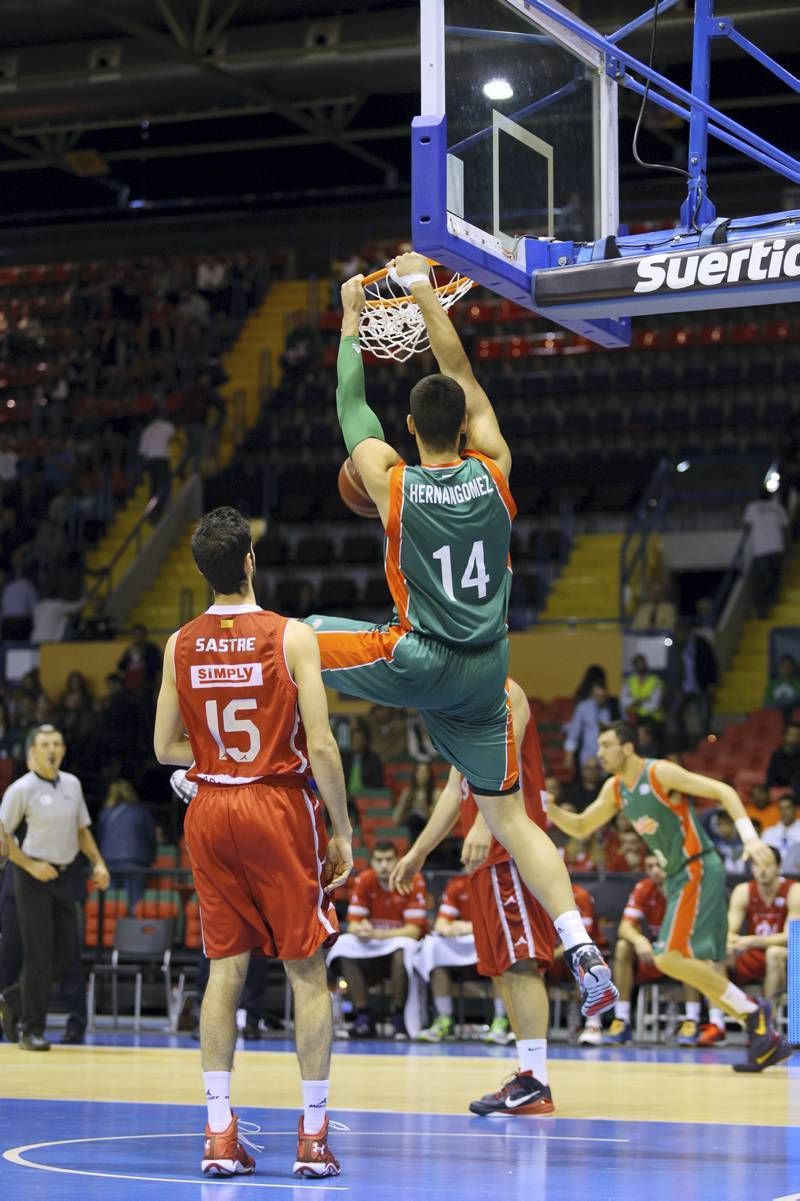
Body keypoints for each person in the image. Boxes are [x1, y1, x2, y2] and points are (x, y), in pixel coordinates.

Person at [306, 256, 616, 1018]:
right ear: (466, 428)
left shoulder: (395, 484)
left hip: (421, 656)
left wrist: (351, 318)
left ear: (411, 429)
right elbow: (461, 371)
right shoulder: (499, 470)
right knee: (512, 819)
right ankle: (579, 940)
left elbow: (353, 410)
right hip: (488, 672)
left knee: (296, 640)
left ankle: (258, 774)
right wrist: (422, 296)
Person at [154, 506, 352, 1179]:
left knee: (224, 972)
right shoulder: (292, 636)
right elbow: (321, 743)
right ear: (248, 562)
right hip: (276, 802)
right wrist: (344, 826)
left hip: (209, 807)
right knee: (307, 970)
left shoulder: (178, 641)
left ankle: (218, 1132)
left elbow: (162, 747)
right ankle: (314, 1139)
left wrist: (211, 762)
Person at [546, 720, 793, 1072]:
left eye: (605, 745)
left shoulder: (659, 773)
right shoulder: (616, 789)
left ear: (627, 747)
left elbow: (723, 791)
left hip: (698, 866)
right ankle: (757, 1023)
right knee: (677, 961)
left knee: (666, 957)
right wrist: (552, 810)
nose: (598, 753)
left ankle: (753, 1013)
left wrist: (749, 838)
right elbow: (583, 826)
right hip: (678, 876)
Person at [392, 682, 558, 1116]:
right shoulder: (465, 703)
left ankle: (536, 1081)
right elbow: (454, 789)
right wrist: (419, 851)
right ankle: (527, 1074)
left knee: (522, 963)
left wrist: (486, 825)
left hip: (509, 850)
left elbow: (505, 771)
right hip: (488, 859)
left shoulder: (505, 693)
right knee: (504, 969)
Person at [0, 724, 109, 1050]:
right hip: (30, 876)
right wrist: (31, 864)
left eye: (57, 743)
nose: (52, 748)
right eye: (45, 743)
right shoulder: (22, 789)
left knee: (66, 954)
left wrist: (98, 862)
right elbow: (3, 837)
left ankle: (12, 997)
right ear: (32, 751)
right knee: (38, 953)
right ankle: (30, 1030)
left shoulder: (72, 785)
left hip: (63, 875)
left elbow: (82, 830)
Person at [329, 841, 427, 1039]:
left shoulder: (412, 880)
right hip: (373, 952)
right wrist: (363, 929)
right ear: (372, 862)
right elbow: (355, 925)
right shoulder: (365, 880)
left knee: (402, 951)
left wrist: (378, 934)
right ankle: (363, 1016)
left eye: (389, 860)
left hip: (398, 952)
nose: (384, 865)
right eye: (379, 860)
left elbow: (413, 931)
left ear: (397, 861)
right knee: (343, 947)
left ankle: (399, 1017)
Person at [604, 853, 700, 1047]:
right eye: (650, 866)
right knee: (623, 946)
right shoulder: (643, 888)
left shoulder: (685, 887)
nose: (655, 871)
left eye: (659, 865)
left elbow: (694, 930)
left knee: (692, 950)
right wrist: (639, 940)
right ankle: (621, 1019)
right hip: (651, 957)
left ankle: (692, 1020)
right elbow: (625, 927)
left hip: (679, 956)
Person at [725, 848, 800, 1040]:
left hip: (791, 956)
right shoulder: (743, 890)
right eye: (757, 865)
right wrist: (730, 942)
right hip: (755, 953)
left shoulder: (794, 890)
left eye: (768, 865)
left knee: (774, 953)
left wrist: (753, 941)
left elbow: (793, 936)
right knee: (719, 952)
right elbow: (729, 930)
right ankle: (716, 1022)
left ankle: (767, 1026)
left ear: (779, 867)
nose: (763, 870)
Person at [97, 779, 157, 910]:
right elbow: (150, 837)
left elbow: (101, 837)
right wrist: (152, 857)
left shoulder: (105, 814)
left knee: (111, 902)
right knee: (134, 900)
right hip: (135, 861)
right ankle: (133, 926)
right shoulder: (141, 812)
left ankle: (113, 927)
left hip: (109, 861)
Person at [668, 622, 718, 747]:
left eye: (679, 633)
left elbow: (711, 663)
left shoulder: (701, 644)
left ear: (685, 632)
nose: (677, 636)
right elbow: (676, 668)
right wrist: (677, 687)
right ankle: (685, 744)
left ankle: (706, 745)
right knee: (676, 713)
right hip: (686, 688)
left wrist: (712, 683)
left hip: (702, 686)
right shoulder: (678, 646)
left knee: (704, 718)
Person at [743, 487, 788, 619]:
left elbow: (746, 525)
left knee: (763, 580)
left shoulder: (752, 507)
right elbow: (785, 527)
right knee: (773, 577)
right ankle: (770, 603)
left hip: (762, 550)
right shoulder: (776, 507)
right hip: (776, 547)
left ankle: (764, 608)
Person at [563, 682, 620, 774]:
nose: (601, 698)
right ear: (592, 694)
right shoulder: (583, 707)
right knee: (587, 780)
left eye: (603, 696)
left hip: (608, 753)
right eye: (598, 696)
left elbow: (623, 728)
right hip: (587, 753)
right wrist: (569, 755)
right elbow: (574, 733)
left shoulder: (614, 707)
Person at [138, 407, 175, 522]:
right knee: (164, 485)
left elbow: (142, 451)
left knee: (153, 487)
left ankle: (152, 513)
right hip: (162, 459)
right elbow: (174, 434)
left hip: (151, 460)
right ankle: (162, 509)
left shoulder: (147, 430)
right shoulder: (166, 426)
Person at [394, 760, 437, 842]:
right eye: (419, 771)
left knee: (415, 820)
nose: (422, 774)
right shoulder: (407, 792)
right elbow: (397, 818)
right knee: (413, 820)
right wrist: (405, 804)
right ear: (415, 774)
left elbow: (437, 820)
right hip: (410, 825)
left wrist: (424, 806)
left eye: (425, 771)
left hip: (427, 827)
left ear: (429, 775)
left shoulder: (435, 793)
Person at [118, 623, 162, 697]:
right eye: (136, 635)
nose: (138, 638)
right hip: (131, 684)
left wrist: (143, 655)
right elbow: (121, 665)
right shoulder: (130, 649)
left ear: (145, 635)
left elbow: (157, 665)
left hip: (147, 684)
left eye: (140, 635)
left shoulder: (152, 649)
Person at [761, 793, 800, 875]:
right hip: (773, 876)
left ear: (795, 809)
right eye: (781, 809)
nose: (784, 812)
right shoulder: (768, 833)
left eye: (787, 808)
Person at [340, 724, 384, 795]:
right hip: (346, 796)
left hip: (366, 797)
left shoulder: (373, 760)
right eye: (353, 739)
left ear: (365, 741)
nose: (355, 743)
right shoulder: (345, 758)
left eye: (358, 740)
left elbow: (376, 783)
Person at [621, 655, 664, 726]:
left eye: (643, 664)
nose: (641, 666)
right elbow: (624, 701)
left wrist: (634, 702)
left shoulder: (655, 681)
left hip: (653, 719)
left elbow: (654, 705)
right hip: (633, 717)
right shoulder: (629, 681)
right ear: (634, 666)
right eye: (638, 664)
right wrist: (644, 700)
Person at [764, 654, 800, 723]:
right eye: (783, 665)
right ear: (779, 667)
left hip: (793, 715)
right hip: (775, 715)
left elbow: (797, 700)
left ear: (793, 668)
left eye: (789, 666)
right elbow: (766, 703)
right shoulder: (772, 684)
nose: (786, 668)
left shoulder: (798, 683)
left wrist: (779, 704)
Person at [766, 724, 800, 793]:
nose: (793, 738)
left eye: (796, 735)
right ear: (784, 736)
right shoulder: (777, 755)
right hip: (779, 788)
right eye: (790, 734)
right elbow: (770, 778)